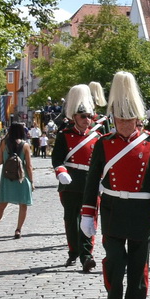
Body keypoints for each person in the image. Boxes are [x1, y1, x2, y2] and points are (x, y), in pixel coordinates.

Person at [80, 72, 150, 299]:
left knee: (137, 265)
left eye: (128, 119)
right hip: (113, 210)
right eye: (119, 119)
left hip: (141, 211)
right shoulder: (104, 143)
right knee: (115, 263)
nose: (123, 124)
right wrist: (88, 213)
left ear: (137, 119)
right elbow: (91, 182)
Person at [52, 85, 100, 272]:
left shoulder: (97, 136)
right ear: (74, 117)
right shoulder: (64, 135)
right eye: (82, 116)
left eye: (89, 116)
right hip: (70, 182)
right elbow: (57, 158)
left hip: (90, 182)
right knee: (72, 220)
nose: (86, 120)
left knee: (89, 218)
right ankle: (74, 251)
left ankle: (87, 255)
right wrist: (61, 172)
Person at [0, 122, 34, 240]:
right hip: (22, 177)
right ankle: (18, 230)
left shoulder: (3, 143)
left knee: (2, 205)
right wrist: (32, 181)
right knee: (23, 205)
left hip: (7, 178)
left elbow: (0, 161)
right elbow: (29, 166)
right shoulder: (25, 145)